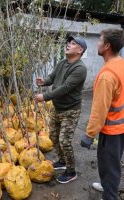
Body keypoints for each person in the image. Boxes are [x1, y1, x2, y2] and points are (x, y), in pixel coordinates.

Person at [81, 28, 124, 200]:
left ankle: (110, 195)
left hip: (112, 129)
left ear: (107, 46)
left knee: (109, 167)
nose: (97, 43)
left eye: (99, 40)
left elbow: (99, 109)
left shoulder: (107, 75)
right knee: (112, 163)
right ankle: (106, 185)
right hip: (123, 125)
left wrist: (89, 134)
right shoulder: (123, 64)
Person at [34, 35, 87, 184]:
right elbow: (52, 78)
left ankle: (71, 171)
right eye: (69, 42)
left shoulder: (80, 68)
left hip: (71, 110)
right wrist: (44, 81)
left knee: (64, 141)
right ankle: (62, 161)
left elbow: (65, 88)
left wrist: (45, 96)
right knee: (53, 137)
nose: (68, 44)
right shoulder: (62, 63)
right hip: (58, 108)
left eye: (73, 43)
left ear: (80, 50)